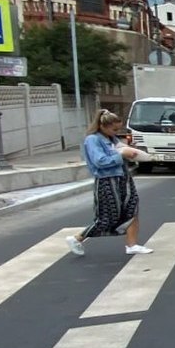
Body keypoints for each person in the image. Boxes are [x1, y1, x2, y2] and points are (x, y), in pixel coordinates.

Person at [65, 108, 153, 257]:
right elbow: (100, 161)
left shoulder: (111, 139)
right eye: (114, 129)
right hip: (107, 180)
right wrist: (121, 154)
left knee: (132, 209)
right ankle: (77, 238)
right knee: (107, 217)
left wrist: (131, 152)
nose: (116, 132)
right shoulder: (93, 140)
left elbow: (119, 151)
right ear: (102, 126)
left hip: (123, 178)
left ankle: (132, 245)